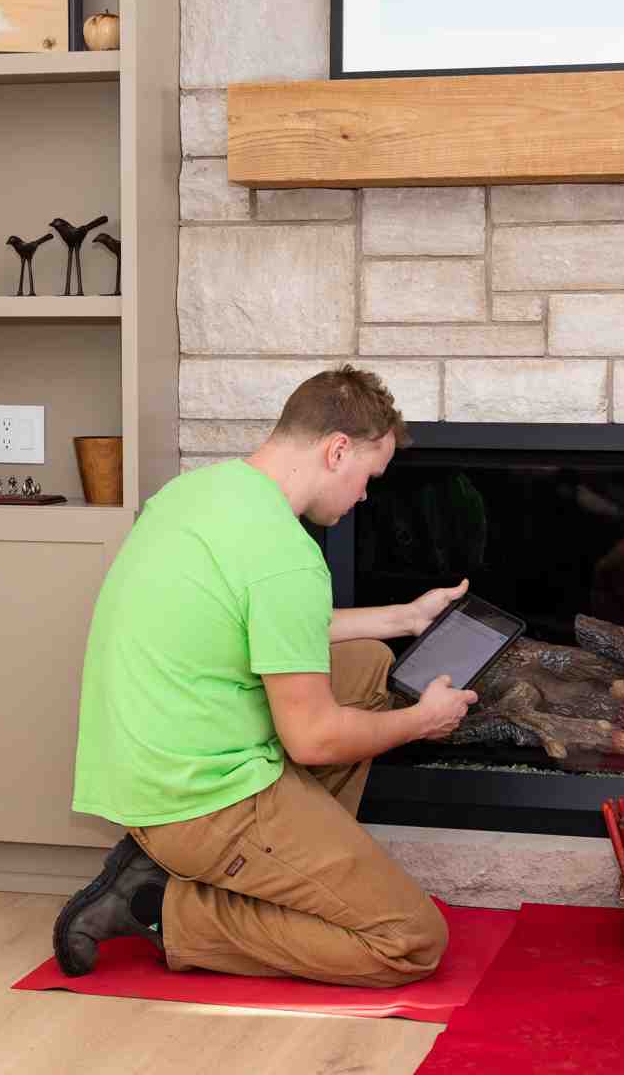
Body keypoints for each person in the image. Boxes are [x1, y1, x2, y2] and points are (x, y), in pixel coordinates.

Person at [56, 365, 479, 987]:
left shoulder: (200, 493)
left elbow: (262, 618)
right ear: (337, 449)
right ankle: (163, 909)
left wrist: (405, 616)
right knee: (409, 940)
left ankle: (273, 860)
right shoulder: (286, 557)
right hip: (198, 801)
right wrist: (421, 722)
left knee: (368, 665)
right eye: (368, 477)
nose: (365, 496)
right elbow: (312, 740)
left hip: (148, 770)